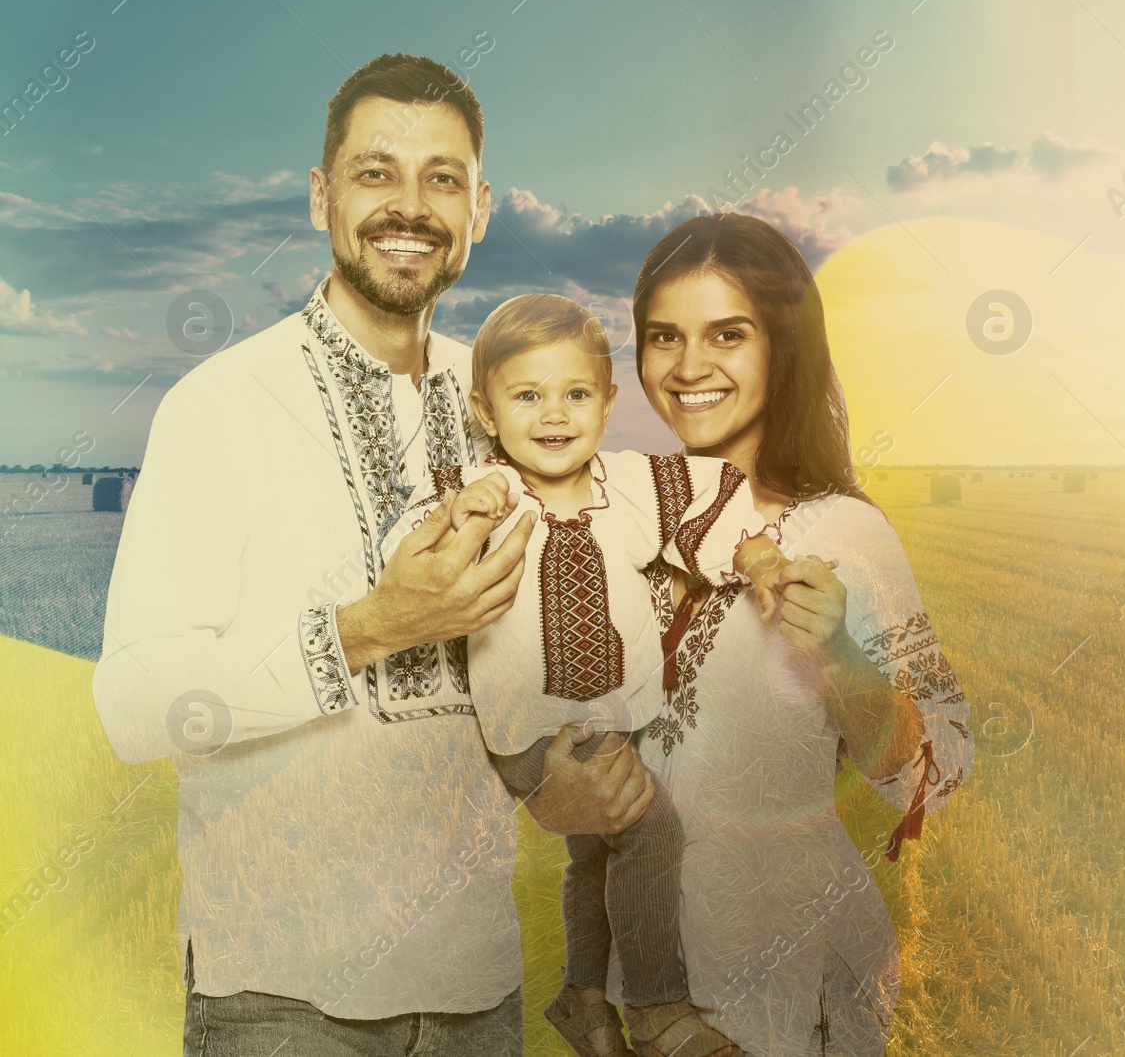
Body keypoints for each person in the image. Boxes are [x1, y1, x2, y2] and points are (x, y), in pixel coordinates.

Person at [91, 54, 654, 1057]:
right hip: (280, 997)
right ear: (321, 197)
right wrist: (368, 627)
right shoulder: (219, 407)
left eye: (443, 178)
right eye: (374, 171)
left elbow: (493, 681)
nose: (410, 205)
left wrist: (546, 784)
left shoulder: (506, 403)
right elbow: (136, 705)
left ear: (480, 208)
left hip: (477, 991)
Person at [379, 293, 793, 1057]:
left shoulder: (633, 484)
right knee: (650, 825)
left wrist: (759, 556)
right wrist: (462, 509)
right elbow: (409, 553)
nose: (554, 414)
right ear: (485, 409)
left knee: (597, 851)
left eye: (575, 393)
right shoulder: (487, 492)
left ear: (607, 401)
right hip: (534, 727)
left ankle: (583, 995)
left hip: (616, 714)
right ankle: (661, 1008)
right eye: (527, 395)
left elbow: (718, 506)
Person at [618, 212, 974, 1056]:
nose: (689, 366)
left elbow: (944, 764)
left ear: (784, 347)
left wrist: (841, 658)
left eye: (727, 335)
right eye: (663, 336)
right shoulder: (630, 532)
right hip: (655, 1003)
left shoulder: (844, 535)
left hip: (790, 993)